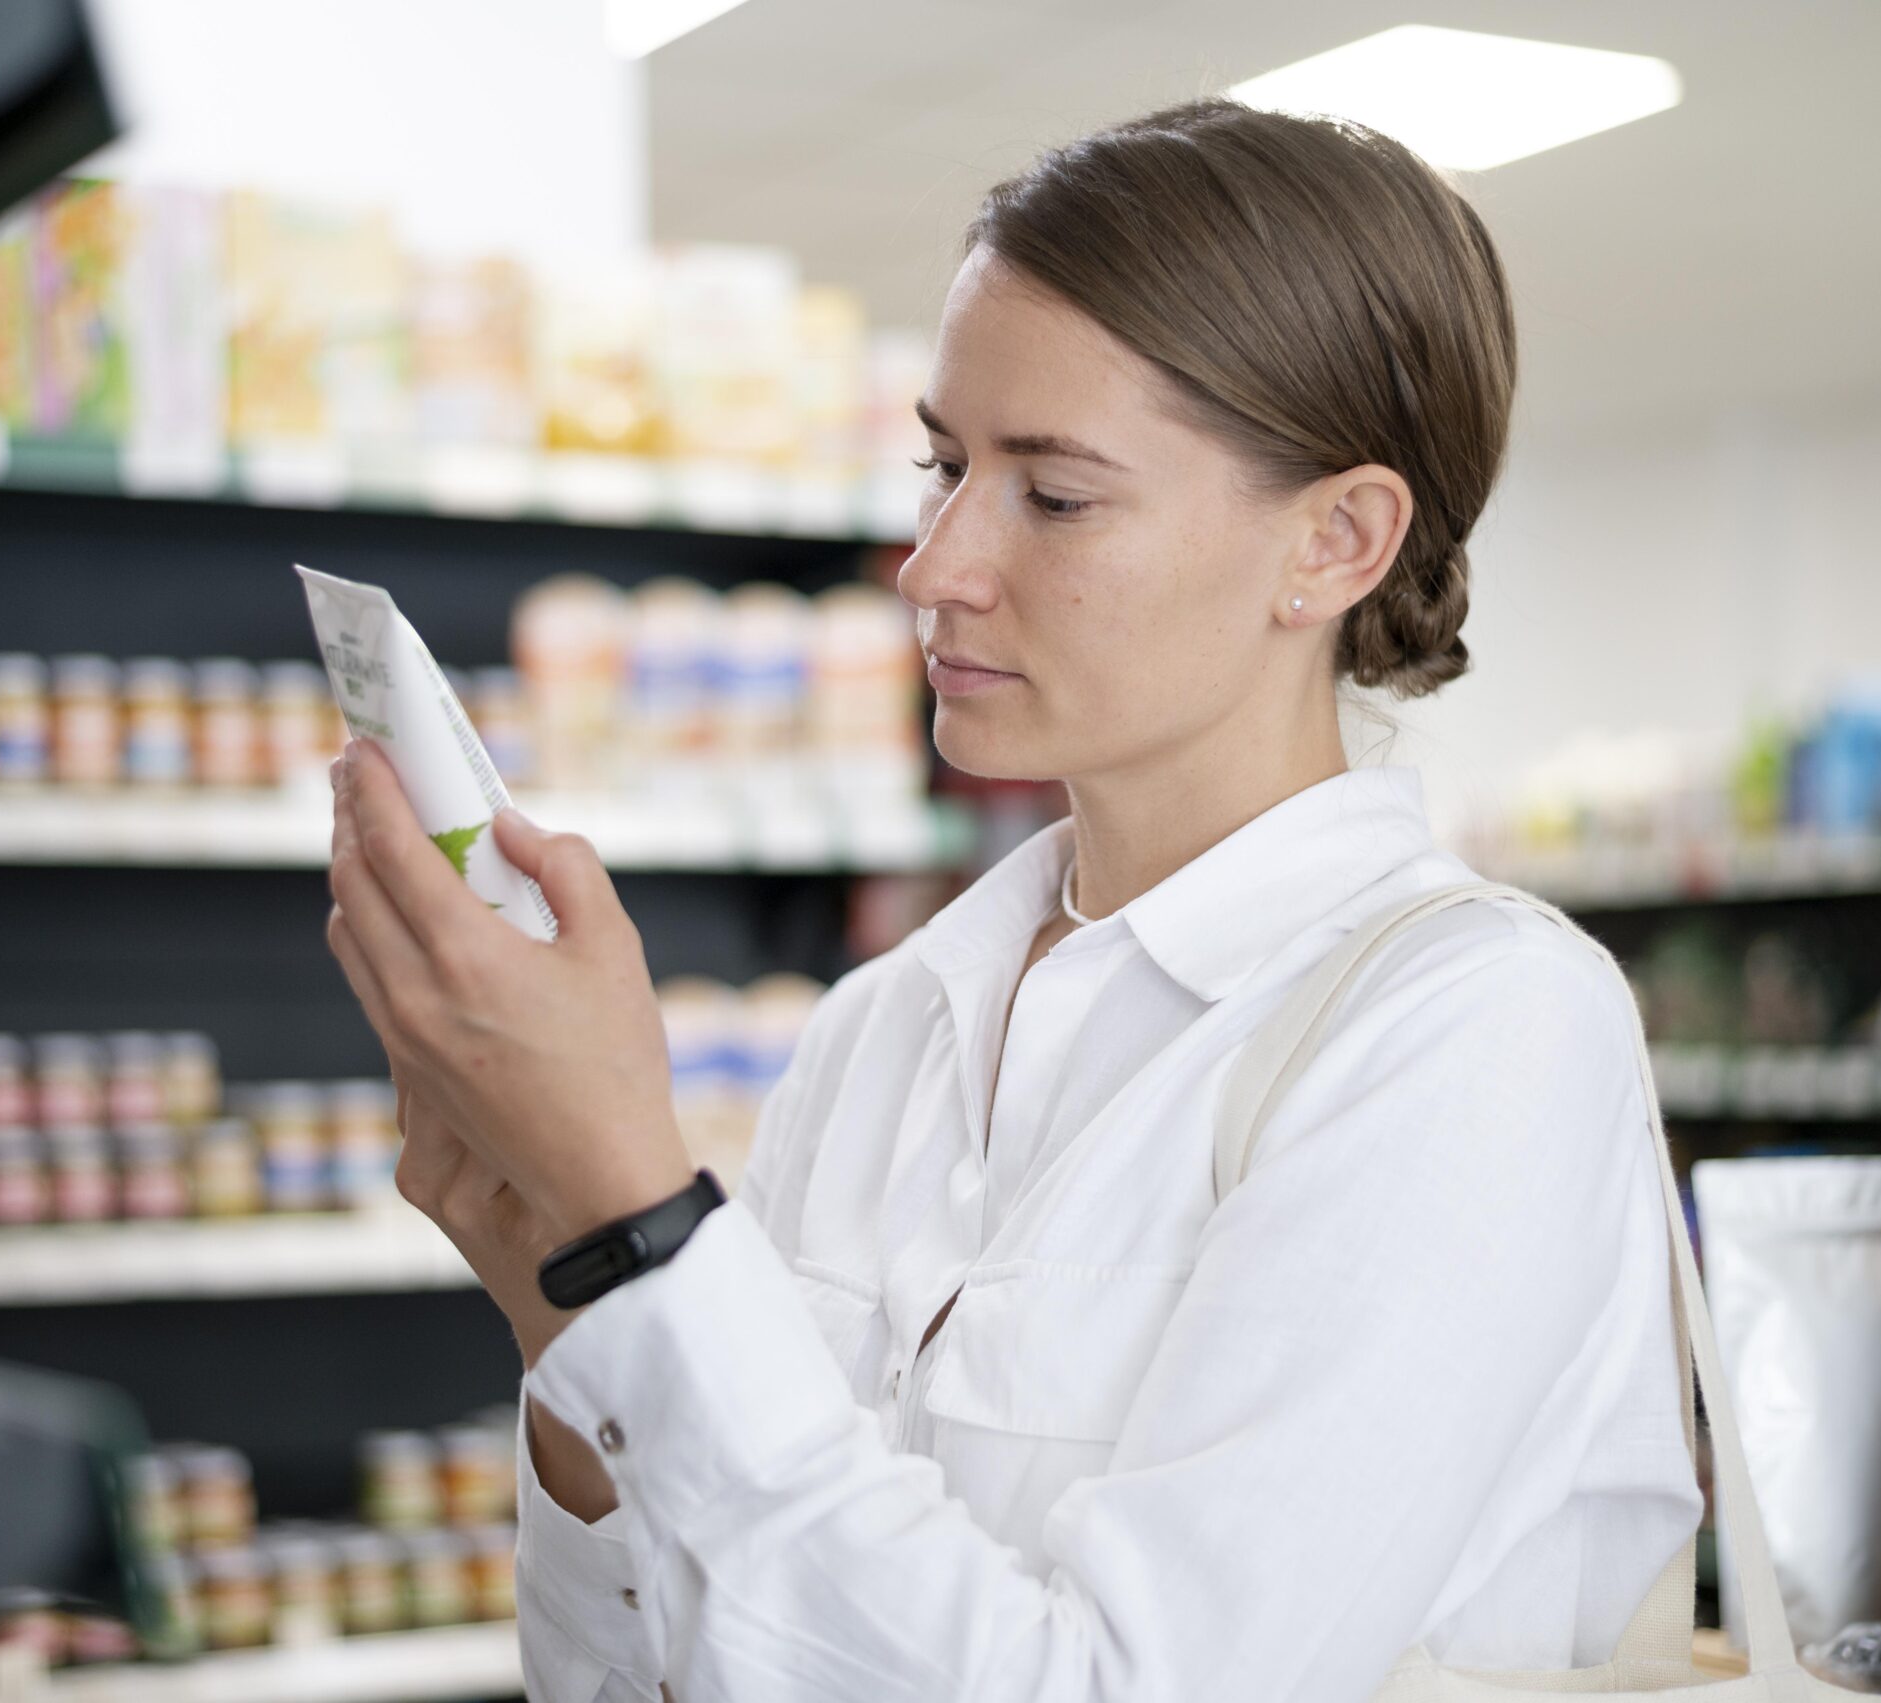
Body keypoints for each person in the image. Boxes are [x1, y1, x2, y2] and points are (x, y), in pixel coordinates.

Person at [324, 97, 1702, 1703]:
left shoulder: (1477, 1036)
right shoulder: (885, 1027)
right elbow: (627, 1677)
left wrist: (642, 1223)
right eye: (944, 464)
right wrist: (565, 1301)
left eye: (1052, 496)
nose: (934, 562)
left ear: (1335, 541)